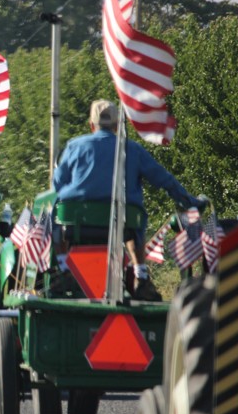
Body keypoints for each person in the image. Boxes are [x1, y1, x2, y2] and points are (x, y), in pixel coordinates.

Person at [52, 99, 203, 301]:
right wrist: (189, 201)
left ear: (91, 125)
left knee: (54, 212)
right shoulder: (133, 150)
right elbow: (164, 180)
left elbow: (57, 183)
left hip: (78, 224)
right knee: (134, 218)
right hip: (123, 227)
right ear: (117, 126)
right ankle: (141, 275)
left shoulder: (74, 146)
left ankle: (64, 269)